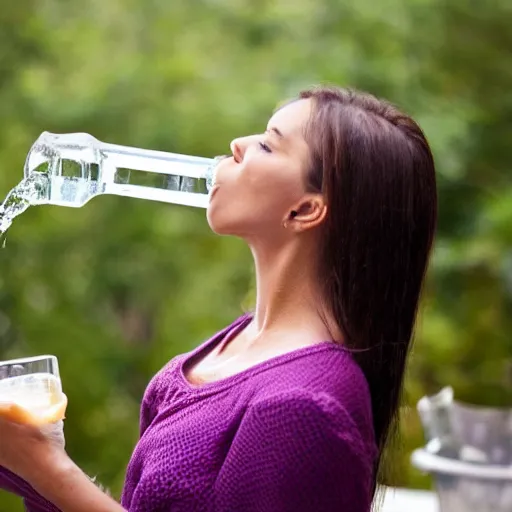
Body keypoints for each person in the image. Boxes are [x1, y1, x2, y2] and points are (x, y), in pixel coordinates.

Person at [0, 85, 437, 512]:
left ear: (305, 210)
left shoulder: (304, 411)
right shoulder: (237, 346)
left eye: (267, 145)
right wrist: (25, 458)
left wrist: (48, 469)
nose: (238, 144)